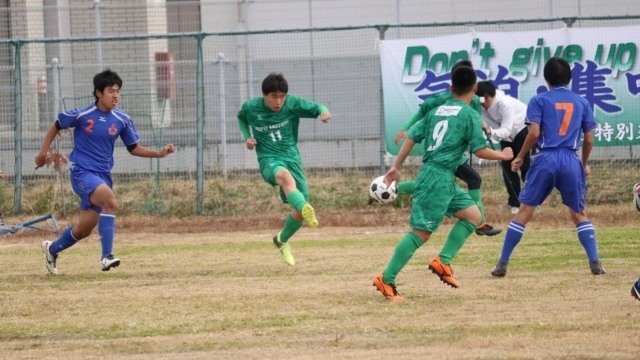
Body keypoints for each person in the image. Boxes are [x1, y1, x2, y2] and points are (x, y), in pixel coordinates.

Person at [373, 66, 513, 301]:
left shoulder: (437, 110)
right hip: (437, 177)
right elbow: (480, 150)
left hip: (443, 177)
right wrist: (503, 155)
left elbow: (412, 136)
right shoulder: (469, 114)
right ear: (475, 89)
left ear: (451, 88)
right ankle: (386, 280)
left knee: (473, 216)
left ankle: (443, 261)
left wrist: (397, 166)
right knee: (420, 234)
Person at [36, 69, 176, 275]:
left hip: (102, 175)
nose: (116, 95)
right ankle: (106, 257)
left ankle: (52, 249)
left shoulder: (122, 119)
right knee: (110, 201)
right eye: (111, 91)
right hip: (81, 171)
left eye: (118, 91)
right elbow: (56, 126)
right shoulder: (83, 114)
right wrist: (43, 152)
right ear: (99, 93)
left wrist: (159, 153)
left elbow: (134, 148)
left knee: (83, 230)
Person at [490, 57, 605, 278]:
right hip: (571, 159)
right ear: (569, 78)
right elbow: (589, 139)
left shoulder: (538, 100)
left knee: (524, 212)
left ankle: (502, 263)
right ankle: (595, 262)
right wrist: (584, 163)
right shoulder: (582, 103)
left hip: (545, 158)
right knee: (579, 213)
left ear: (546, 79)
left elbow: (533, 134)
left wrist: (520, 156)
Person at [393, 60, 501, 237]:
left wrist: (482, 124)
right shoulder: (457, 100)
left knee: (433, 184)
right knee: (473, 179)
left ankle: (393, 189)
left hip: (445, 155)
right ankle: (479, 223)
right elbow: (422, 115)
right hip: (448, 155)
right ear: (473, 85)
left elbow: (471, 117)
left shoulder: (445, 99)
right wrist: (501, 154)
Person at [237, 72, 331, 266]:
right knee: (284, 176)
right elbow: (241, 118)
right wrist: (247, 137)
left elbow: (317, 107)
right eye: (274, 96)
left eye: (282, 96)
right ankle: (305, 207)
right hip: (268, 158)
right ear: (264, 95)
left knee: (298, 209)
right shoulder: (251, 107)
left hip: (292, 157)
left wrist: (324, 111)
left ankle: (281, 239)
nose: (278, 101)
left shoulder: (292, 104)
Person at [475, 80, 530, 213]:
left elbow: (506, 128)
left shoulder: (505, 104)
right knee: (507, 166)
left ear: (488, 96)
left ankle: (531, 203)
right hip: (505, 136)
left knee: (525, 166)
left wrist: (489, 132)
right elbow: (500, 131)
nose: (482, 103)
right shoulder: (481, 105)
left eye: (483, 99)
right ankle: (514, 202)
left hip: (521, 130)